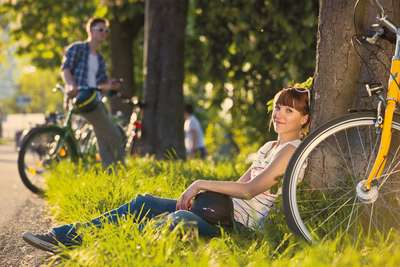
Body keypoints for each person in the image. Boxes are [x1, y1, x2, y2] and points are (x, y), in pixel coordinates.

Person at [22, 87, 310, 253]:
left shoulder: (291, 150)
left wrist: (199, 183)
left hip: (237, 226)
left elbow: (249, 191)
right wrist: (205, 191)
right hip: (217, 210)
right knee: (142, 202)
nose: (279, 114)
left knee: (176, 218)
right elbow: (237, 185)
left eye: (290, 111)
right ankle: (63, 236)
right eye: (279, 108)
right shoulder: (269, 147)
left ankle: (101, 249)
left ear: (305, 119)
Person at [61, 17, 124, 169]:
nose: (104, 33)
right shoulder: (77, 48)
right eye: (100, 30)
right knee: (114, 135)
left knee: (102, 137)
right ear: (90, 31)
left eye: (106, 31)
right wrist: (70, 85)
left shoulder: (101, 60)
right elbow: (66, 69)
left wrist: (111, 86)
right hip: (80, 100)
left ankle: (110, 174)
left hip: (94, 100)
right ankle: (120, 170)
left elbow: (101, 85)